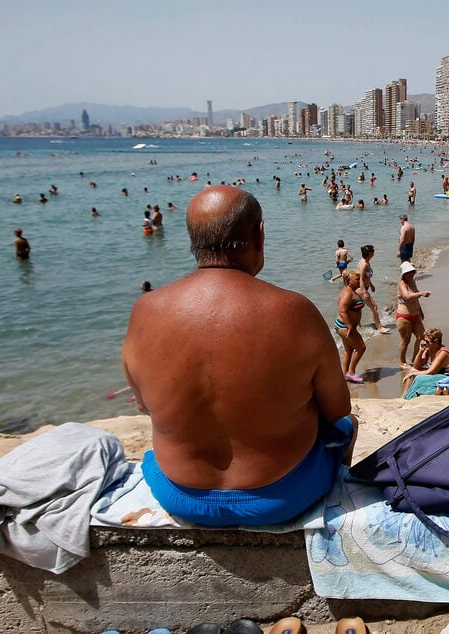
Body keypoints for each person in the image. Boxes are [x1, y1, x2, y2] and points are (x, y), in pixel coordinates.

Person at [121, 185, 357, 527]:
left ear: (193, 240)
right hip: (281, 497)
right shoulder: (295, 311)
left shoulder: (145, 310)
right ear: (259, 235)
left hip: (179, 495)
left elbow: (144, 405)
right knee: (346, 427)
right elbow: (338, 409)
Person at [401, 328, 449, 395]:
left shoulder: (443, 353)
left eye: (427, 341)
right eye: (424, 340)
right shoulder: (430, 349)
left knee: (415, 375)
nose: (425, 343)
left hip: (446, 377)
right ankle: (404, 395)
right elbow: (416, 366)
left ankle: (407, 396)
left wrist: (414, 373)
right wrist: (421, 351)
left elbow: (430, 372)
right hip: (436, 375)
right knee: (413, 371)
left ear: (436, 342)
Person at [335, 270, 367, 384]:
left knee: (349, 350)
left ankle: (344, 374)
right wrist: (349, 326)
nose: (359, 281)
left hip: (344, 326)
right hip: (344, 326)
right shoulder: (347, 293)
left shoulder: (352, 291)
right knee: (361, 347)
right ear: (349, 281)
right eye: (357, 279)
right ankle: (351, 373)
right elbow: (342, 311)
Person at [396, 261, 430, 367]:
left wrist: (420, 310)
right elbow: (407, 296)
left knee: (422, 337)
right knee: (406, 340)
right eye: (409, 272)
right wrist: (421, 293)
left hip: (415, 315)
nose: (411, 274)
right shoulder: (401, 284)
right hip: (404, 317)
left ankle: (415, 358)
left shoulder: (413, 282)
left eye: (412, 272)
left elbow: (415, 298)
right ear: (404, 274)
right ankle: (402, 361)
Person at [356, 244, 390, 334]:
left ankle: (374, 324)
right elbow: (361, 279)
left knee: (368, 307)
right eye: (373, 250)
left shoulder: (365, 262)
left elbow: (366, 277)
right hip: (361, 289)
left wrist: (371, 285)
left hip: (364, 288)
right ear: (370, 253)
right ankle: (380, 328)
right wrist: (365, 292)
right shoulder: (364, 264)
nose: (374, 251)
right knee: (374, 307)